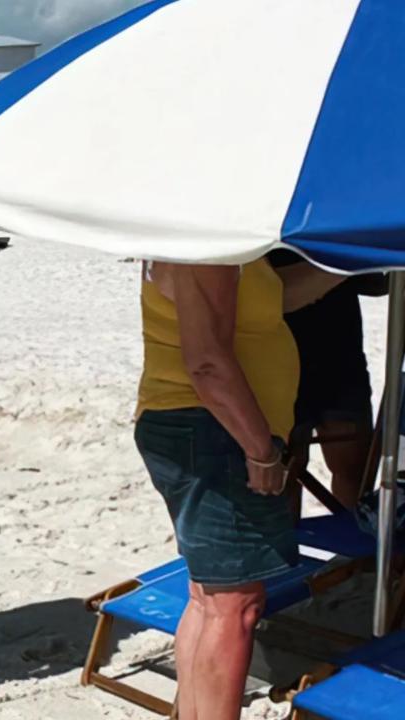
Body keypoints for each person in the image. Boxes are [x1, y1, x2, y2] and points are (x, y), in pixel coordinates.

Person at [135, 259, 299, 720]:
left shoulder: (203, 234)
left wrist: (344, 269)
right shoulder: (209, 243)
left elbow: (272, 298)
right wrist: (260, 450)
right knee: (236, 607)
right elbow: (206, 363)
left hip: (195, 428)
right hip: (213, 432)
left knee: (210, 599)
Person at [270, 250, 377, 510]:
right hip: (279, 360)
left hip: (339, 356)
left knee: (355, 476)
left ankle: (355, 544)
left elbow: (378, 282)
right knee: (284, 478)